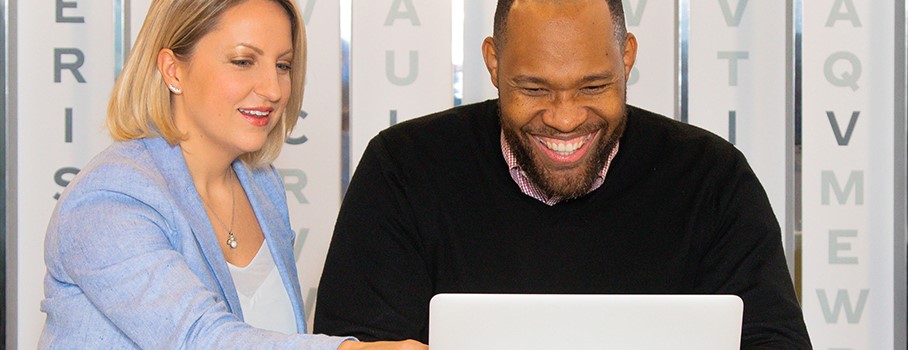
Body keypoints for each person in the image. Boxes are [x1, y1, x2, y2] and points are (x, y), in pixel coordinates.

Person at [314, 0, 811, 348]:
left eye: (594, 86)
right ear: (492, 62)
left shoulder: (712, 179)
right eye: (533, 89)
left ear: (628, 58)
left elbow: (773, 340)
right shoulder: (404, 170)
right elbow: (356, 343)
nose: (565, 118)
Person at [39, 0, 426, 349]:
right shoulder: (109, 199)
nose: (273, 89)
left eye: (283, 65)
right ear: (173, 70)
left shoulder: (261, 184)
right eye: (243, 61)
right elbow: (198, 338)